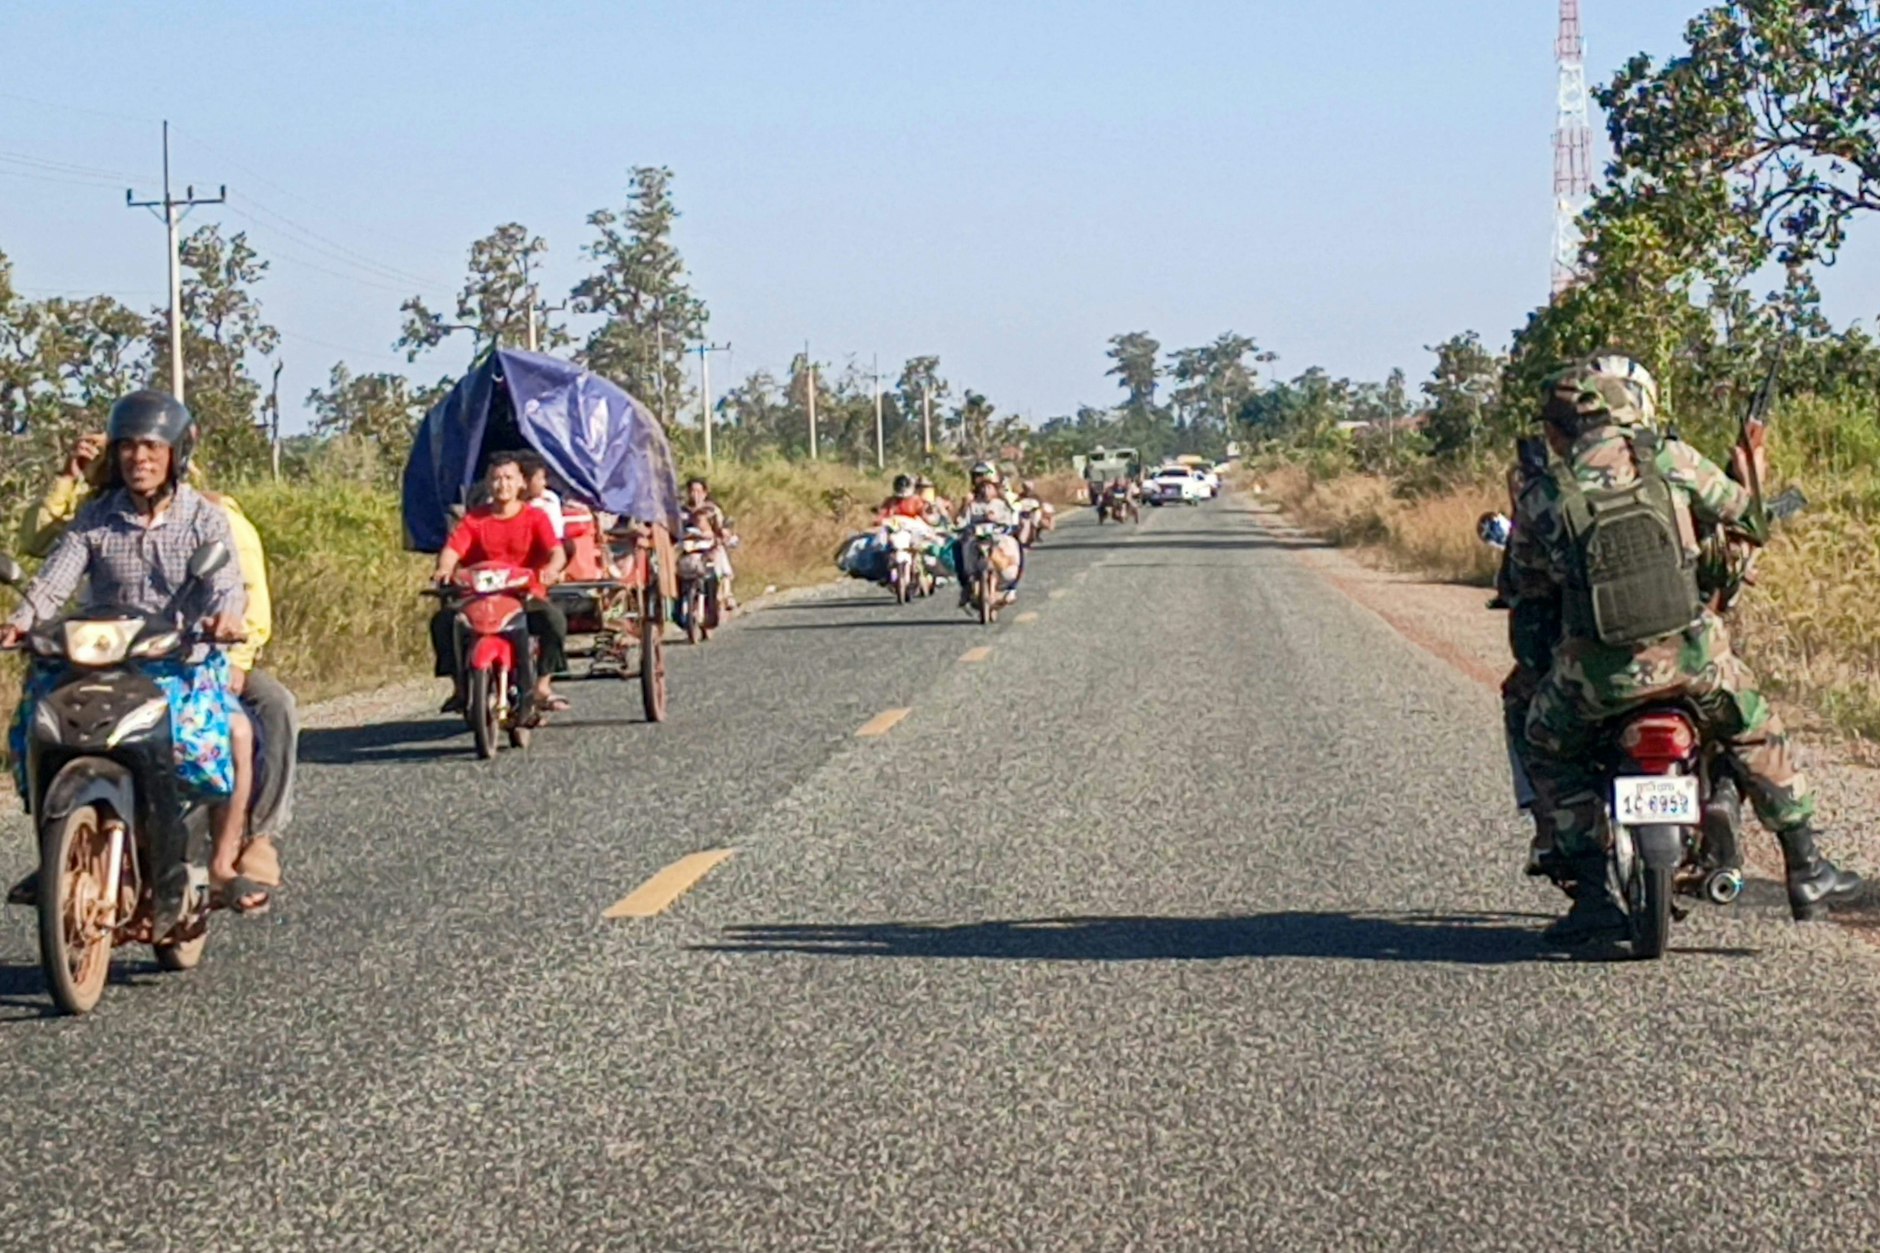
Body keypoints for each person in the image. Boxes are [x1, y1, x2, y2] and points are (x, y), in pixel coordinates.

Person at [1507, 363, 1862, 944]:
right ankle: (1807, 868)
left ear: (1559, 428)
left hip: (1594, 679)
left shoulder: (1546, 493)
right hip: (1694, 661)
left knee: (1546, 746)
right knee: (1754, 731)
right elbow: (1743, 515)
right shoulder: (1668, 459)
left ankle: (1592, 896)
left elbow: (1528, 591)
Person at [1, 392, 265, 913]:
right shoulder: (95, 519)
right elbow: (52, 584)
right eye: (126, 447)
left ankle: (222, 862)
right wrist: (20, 621)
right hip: (95, 661)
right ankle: (54, 852)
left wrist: (226, 619)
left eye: (150, 446)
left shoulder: (204, 521)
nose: (137, 458)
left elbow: (228, 586)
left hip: (177, 662)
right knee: (31, 727)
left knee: (234, 733)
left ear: (175, 455)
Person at [431, 453, 570, 715]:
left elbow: (556, 552)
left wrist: (551, 570)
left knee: (554, 621)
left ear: (521, 483)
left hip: (523, 595)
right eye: (496, 478)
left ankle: (542, 685)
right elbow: (453, 549)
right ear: (487, 483)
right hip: (479, 597)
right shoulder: (474, 520)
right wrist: (445, 568)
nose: (502, 484)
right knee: (443, 622)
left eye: (508, 478)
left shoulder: (536, 518)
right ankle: (460, 688)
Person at [955, 477, 1022, 609]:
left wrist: (999, 520)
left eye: (989, 487)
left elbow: (1010, 519)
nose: (986, 490)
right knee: (959, 547)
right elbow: (961, 522)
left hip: (998, 538)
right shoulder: (972, 505)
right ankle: (966, 586)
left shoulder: (1001, 504)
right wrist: (964, 506)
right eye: (983, 487)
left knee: (1016, 547)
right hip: (976, 539)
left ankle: (1012, 588)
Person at [682, 477, 738, 613]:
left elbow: (720, 528)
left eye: (698, 491)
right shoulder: (682, 511)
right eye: (692, 491)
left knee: (719, 555)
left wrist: (722, 534)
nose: (695, 494)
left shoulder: (712, 510)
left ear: (705, 493)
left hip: (709, 546)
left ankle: (727, 593)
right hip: (688, 548)